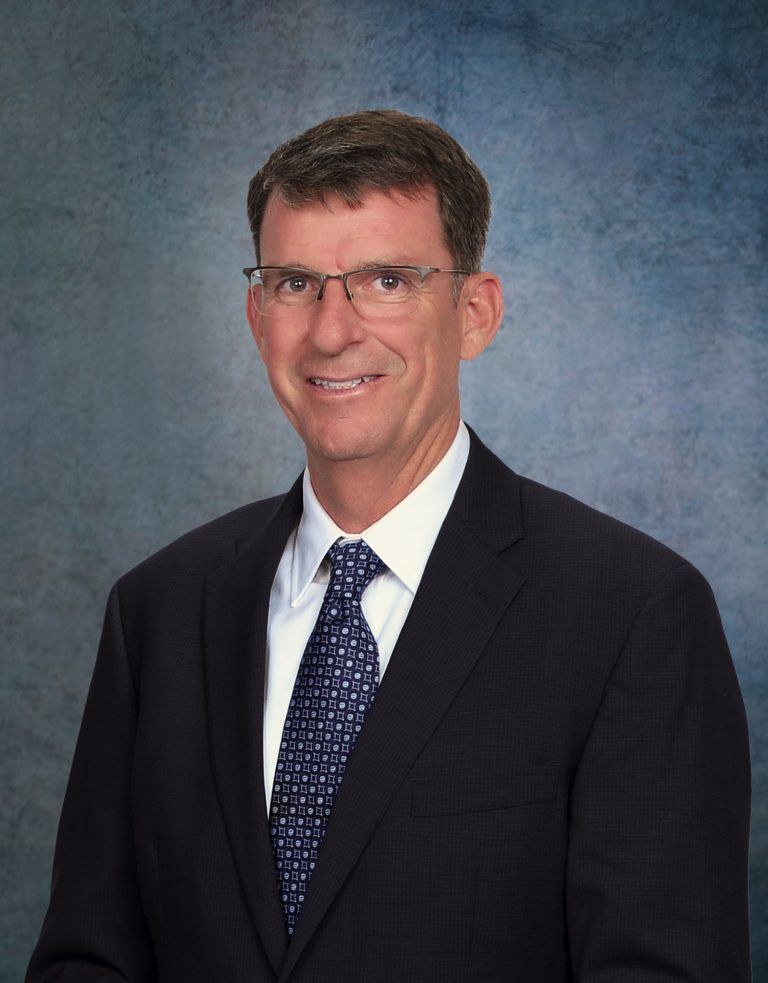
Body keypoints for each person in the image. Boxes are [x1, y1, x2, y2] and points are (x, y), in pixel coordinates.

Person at [27, 109, 751, 982]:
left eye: (384, 281)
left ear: (474, 313)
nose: (331, 331)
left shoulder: (631, 615)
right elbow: (87, 960)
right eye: (297, 283)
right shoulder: (159, 612)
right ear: (258, 314)